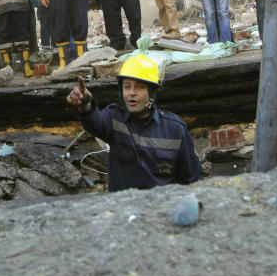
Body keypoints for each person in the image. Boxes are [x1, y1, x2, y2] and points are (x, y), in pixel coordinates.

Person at [65, 53, 202, 192]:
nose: (132, 93)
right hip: (123, 209)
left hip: (160, 208)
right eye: (127, 87)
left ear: (153, 92)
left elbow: (193, 179)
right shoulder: (114, 117)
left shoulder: (174, 129)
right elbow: (95, 123)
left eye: (140, 87)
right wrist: (85, 106)